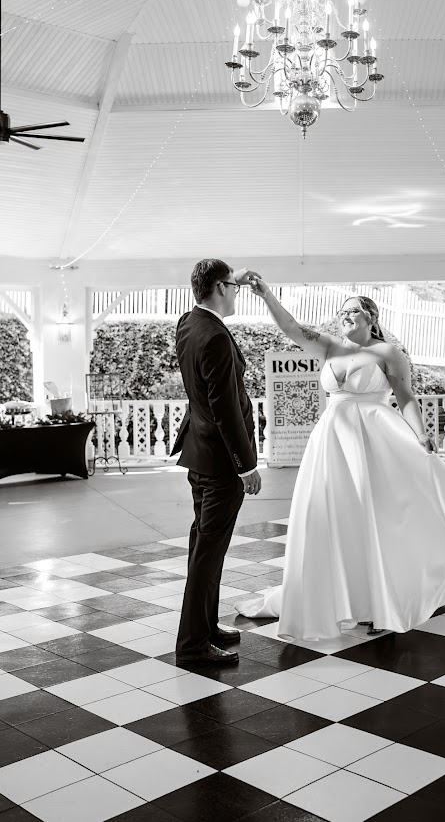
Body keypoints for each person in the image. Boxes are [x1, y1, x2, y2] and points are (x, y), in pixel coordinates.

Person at [236, 281, 445, 641]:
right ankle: (344, 598)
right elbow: (289, 327)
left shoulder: (389, 353)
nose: (345, 315)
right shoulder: (328, 346)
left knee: (376, 515)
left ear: (372, 317)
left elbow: (407, 397)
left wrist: (422, 433)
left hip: (377, 439)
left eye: (353, 309)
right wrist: (266, 294)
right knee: (336, 516)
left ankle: (384, 602)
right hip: (332, 442)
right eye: (342, 311)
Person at [171, 259, 262, 665]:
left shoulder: (188, 324)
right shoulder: (217, 338)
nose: (237, 292)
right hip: (223, 463)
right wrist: (246, 466)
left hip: (199, 454)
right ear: (222, 288)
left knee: (203, 546)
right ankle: (192, 645)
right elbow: (225, 407)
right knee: (208, 552)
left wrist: (231, 277)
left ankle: (206, 626)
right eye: (234, 287)